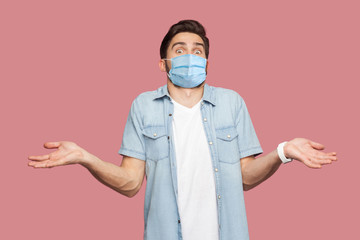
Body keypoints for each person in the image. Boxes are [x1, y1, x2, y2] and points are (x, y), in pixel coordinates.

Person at [28, 20, 337, 240]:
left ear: (206, 62)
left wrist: (283, 152)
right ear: (164, 63)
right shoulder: (143, 105)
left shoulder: (232, 102)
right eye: (180, 50)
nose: (190, 56)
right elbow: (131, 183)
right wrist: (86, 158)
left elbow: (246, 176)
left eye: (197, 50)